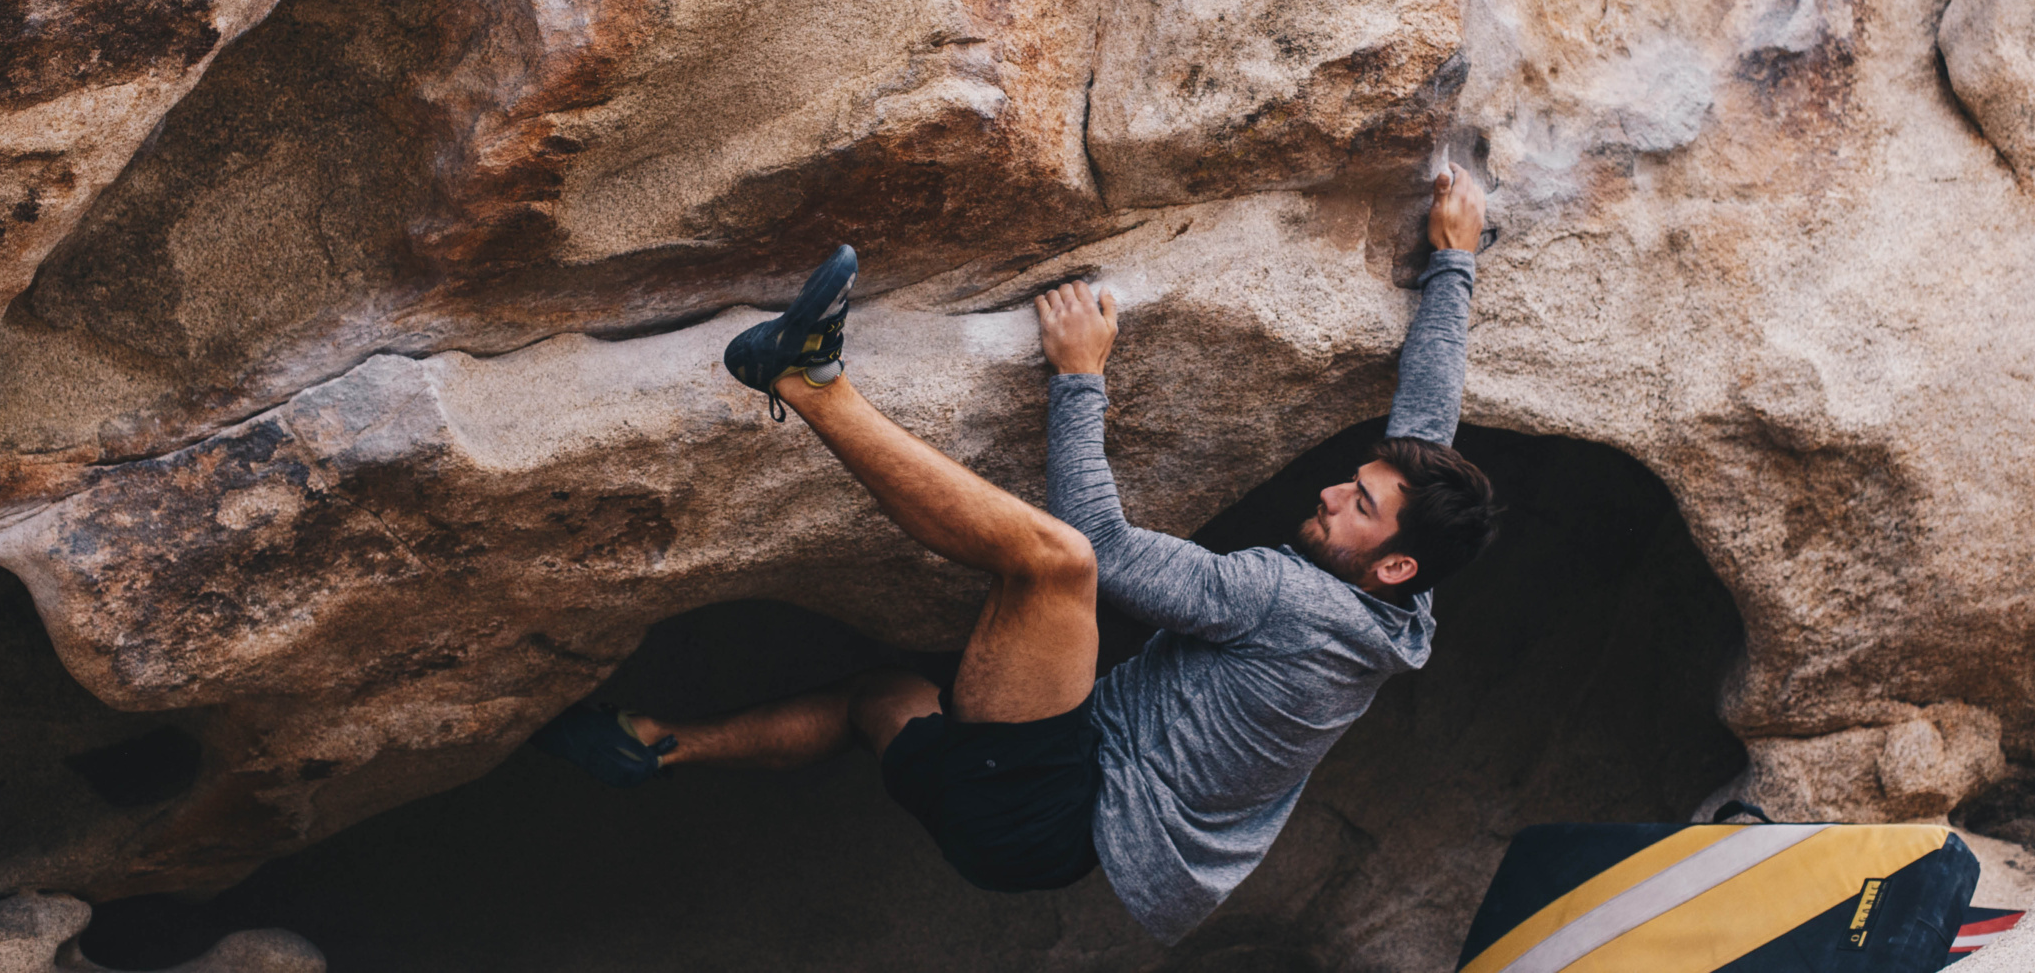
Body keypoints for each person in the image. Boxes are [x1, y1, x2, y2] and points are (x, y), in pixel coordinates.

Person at [531, 163, 1500, 943]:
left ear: (1394, 563)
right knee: (880, 699)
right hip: (1031, 837)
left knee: (1057, 565)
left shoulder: (1295, 604)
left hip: (1053, 807)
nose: (1334, 490)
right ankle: (654, 746)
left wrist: (1079, 377)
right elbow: (1426, 430)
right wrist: (1453, 260)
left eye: (1359, 502)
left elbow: (1109, 549)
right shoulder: (1393, 605)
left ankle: (804, 377)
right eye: (1355, 480)